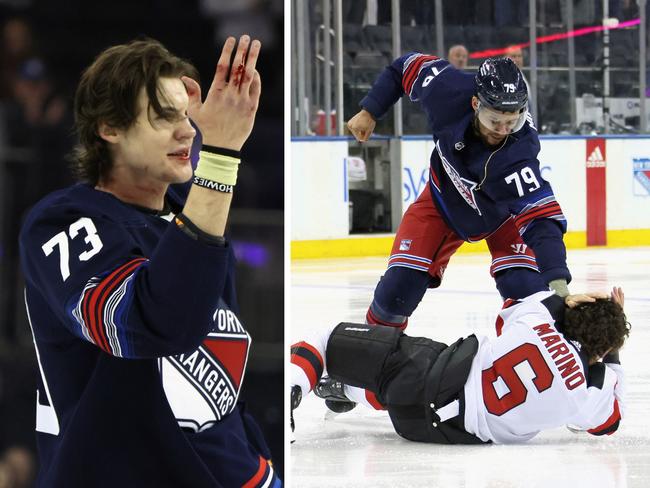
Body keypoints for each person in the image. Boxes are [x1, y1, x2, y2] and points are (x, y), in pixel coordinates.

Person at [19, 36, 281, 487]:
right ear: (109, 127)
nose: (187, 130)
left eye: (185, 115)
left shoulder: (188, 207)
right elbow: (150, 326)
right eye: (163, 116)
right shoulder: (63, 224)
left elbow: (221, 369)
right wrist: (219, 159)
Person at [347, 54, 569, 334]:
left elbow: (541, 219)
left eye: (512, 122)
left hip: (503, 215)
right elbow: (404, 67)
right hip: (442, 200)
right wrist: (370, 110)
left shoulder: (519, 153)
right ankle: (366, 363)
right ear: (476, 103)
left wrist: (558, 284)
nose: (502, 131)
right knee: (396, 292)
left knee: (527, 294)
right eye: (494, 120)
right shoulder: (446, 89)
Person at [291, 287, 629, 444]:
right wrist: (610, 358)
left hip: (424, 377)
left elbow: (507, 315)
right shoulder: (586, 389)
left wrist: (562, 302)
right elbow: (609, 424)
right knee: (408, 391)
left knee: (324, 339)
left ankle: (291, 391)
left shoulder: (538, 319)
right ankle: (347, 389)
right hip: (436, 433)